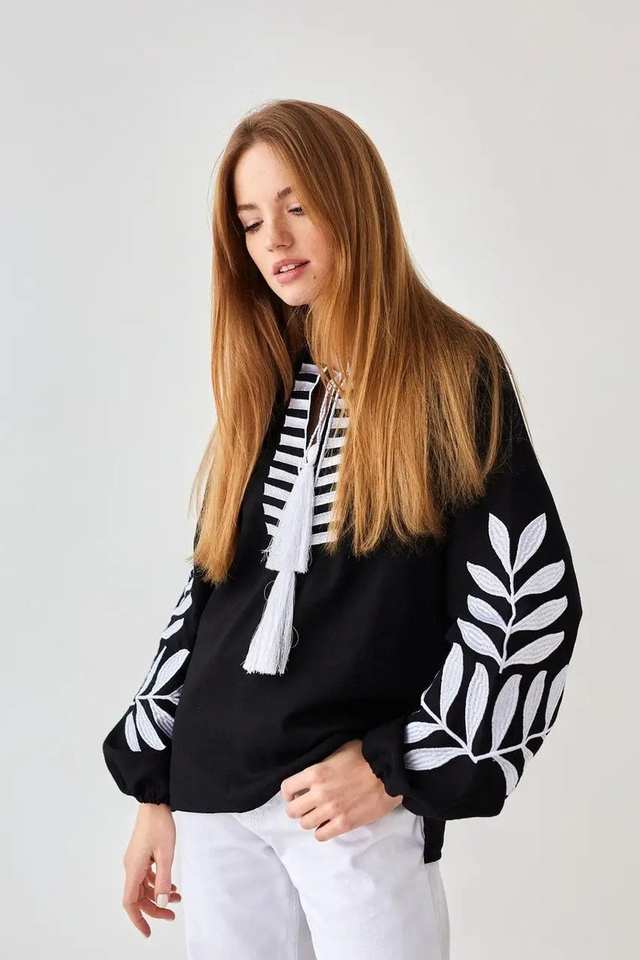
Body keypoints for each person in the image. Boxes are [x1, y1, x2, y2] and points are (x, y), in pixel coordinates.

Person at [102, 99, 583, 960]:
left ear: (352, 202)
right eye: (252, 221)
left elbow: (526, 603)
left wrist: (404, 764)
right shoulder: (266, 379)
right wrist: (154, 790)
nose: (275, 241)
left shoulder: (451, 373)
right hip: (212, 797)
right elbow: (208, 594)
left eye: (297, 206)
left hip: (344, 803)